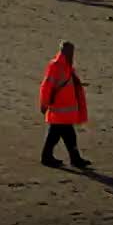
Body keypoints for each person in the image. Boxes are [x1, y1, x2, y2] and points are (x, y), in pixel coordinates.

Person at [38, 40, 91, 169]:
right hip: (59, 110)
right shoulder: (56, 66)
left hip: (64, 111)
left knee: (62, 135)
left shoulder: (67, 65)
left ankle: (70, 158)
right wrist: (44, 104)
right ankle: (68, 159)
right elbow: (46, 86)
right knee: (62, 135)